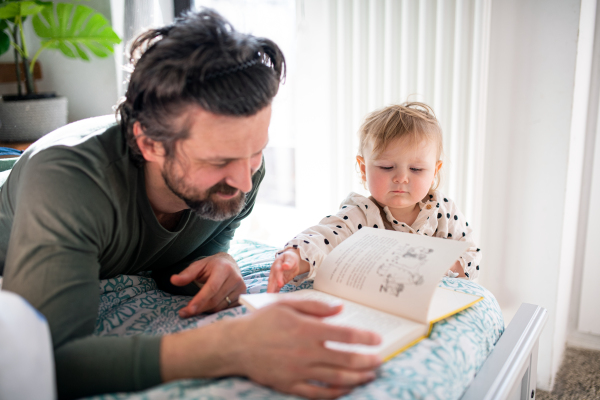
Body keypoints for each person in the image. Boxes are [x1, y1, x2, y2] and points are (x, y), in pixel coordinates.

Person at [0, 10, 382, 400]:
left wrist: (216, 262)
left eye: (256, 152)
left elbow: (180, 259)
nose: (245, 182)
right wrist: (227, 347)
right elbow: (42, 364)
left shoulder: (243, 175)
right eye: (218, 162)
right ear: (149, 144)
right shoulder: (67, 181)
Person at [268, 102, 482, 293]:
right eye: (387, 167)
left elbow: (472, 254)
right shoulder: (360, 214)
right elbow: (322, 238)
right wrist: (295, 257)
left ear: (435, 171)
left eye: (416, 169)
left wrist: (448, 265)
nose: (401, 178)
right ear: (363, 168)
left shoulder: (444, 211)